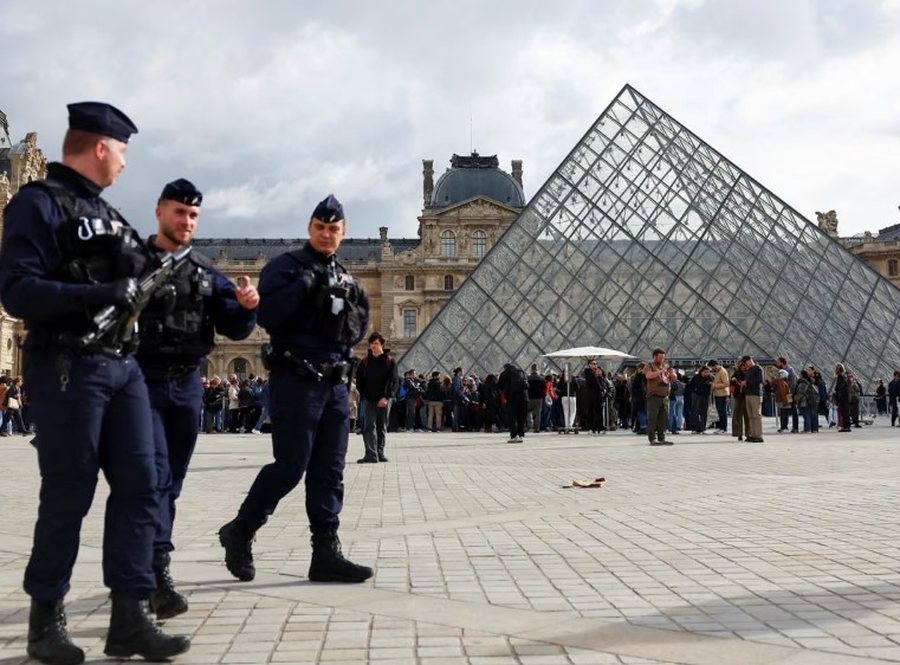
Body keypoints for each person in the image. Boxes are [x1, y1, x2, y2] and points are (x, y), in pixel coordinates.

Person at [0, 102, 189, 663]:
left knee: (143, 486)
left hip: (122, 367)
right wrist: (94, 296)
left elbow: (142, 268)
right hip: (67, 363)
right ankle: (45, 618)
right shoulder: (38, 204)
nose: (127, 165)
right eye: (123, 152)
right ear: (101, 147)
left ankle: (130, 614)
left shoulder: (106, 212)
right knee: (69, 492)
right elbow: (16, 291)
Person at [218, 194, 372, 584]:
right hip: (296, 379)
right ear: (310, 228)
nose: (326, 234)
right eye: (320, 227)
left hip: (335, 385)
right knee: (290, 466)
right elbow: (266, 315)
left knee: (330, 470)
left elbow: (359, 327)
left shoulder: (348, 280)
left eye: (333, 228)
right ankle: (241, 530)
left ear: (343, 232)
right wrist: (305, 285)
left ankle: (325, 551)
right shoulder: (284, 268)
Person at [136, 178, 259, 620]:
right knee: (150, 478)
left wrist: (247, 305)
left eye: (192, 215)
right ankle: (150, 572)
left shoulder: (205, 272)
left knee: (171, 480)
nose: (186, 220)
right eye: (178, 212)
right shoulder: (133, 263)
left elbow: (237, 329)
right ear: (160, 212)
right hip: (141, 382)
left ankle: (155, 565)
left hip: (187, 384)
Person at [356, 331, 399, 463]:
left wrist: (386, 397)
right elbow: (359, 381)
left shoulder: (390, 361)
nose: (373, 346)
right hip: (369, 399)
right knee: (369, 426)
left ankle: (379, 452)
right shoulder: (364, 362)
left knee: (381, 426)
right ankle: (371, 454)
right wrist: (365, 395)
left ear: (381, 345)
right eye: (371, 343)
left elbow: (393, 381)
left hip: (384, 399)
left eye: (376, 343)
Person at [644, 348, 674, 445]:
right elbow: (648, 376)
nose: (662, 360)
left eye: (663, 358)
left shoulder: (664, 367)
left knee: (663, 418)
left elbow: (673, 378)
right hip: (654, 397)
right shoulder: (650, 365)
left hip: (664, 397)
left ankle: (662, 438)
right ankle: (652, 439)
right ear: (654, 357)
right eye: (660, 357)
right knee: (652, 418)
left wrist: (672, 373)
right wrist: (661, 371)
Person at [498, 362, 528, 443]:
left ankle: (514, 435)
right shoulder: (521, 372)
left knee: (512, 417)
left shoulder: (504, 374)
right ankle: (521, 434)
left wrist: (504, 398)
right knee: (521, 417)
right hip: (524, 397)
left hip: (512, 397)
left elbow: (500, 387)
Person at [740, 355, 764, 442]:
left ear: (750, 360)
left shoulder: (758, 369)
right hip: (748, 394)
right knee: (750, 416)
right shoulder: (749, 370)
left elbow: (759, 380)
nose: (745, 365)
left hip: (755, 394)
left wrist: (747, 382)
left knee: (755, 415)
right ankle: (753, 434)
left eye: (745, 363)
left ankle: (758, 435)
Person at [709, 360, 729, 433]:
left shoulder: (722, 372)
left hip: (722, 394)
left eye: (712, 367)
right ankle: (720, 426)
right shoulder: (718, 372)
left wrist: (715, 386)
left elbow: (726, 383)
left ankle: (723, 428)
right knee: (719, 411)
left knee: (722, 411)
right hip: (718, 394)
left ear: (715, 365)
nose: (712, 369)